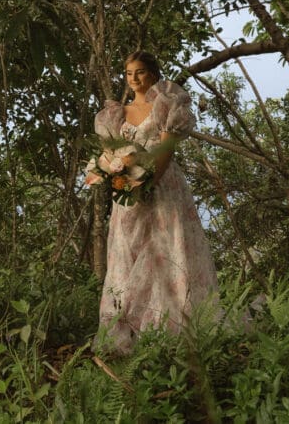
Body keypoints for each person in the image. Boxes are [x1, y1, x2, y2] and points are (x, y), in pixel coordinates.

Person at [93, 51, 218, 354]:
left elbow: (166, 150)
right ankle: (128, 331)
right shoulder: (114, 114)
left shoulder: (165, 103)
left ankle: (171, 328)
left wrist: (147, 183)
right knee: (127, 254)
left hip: (162, 188)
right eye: (128, 73)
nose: (133, 79)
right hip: (127, 195)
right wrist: (115, 178)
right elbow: (110, 155)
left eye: (140, 72)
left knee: (164, 250)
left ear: (153, 73)